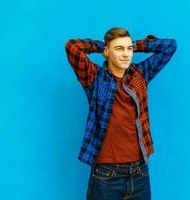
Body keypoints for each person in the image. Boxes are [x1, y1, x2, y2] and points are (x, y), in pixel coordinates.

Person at [65, 27, 177, 200]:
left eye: (128, 49)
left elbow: (170, 46)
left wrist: (136, 45)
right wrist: (101, 45)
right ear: (106, 52)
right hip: (106, 174)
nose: (126, 54)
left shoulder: (140, 75)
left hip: (139, 171)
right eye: (119, 49)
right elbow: (72, 47)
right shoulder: (94, 77)